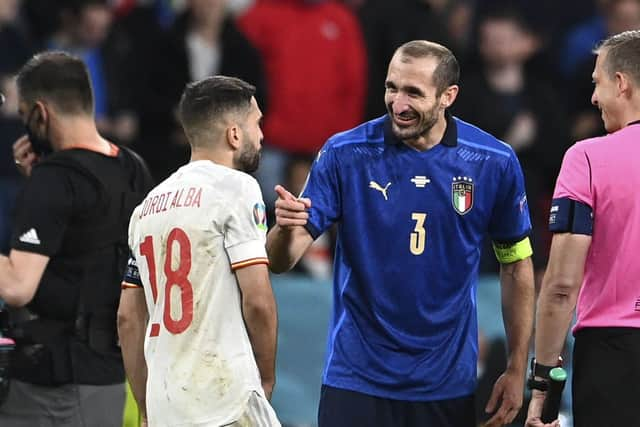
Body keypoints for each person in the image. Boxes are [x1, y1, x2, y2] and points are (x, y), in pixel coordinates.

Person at [267, 39, 535, 427]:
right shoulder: (345, 154)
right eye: (392, 88)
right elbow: (282, 260)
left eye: (414, 92)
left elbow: (515, 265)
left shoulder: (492, 162)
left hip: (446, 385)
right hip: (356, 379)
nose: (399, 104)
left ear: (448, 96)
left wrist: (515, 366)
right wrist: (283, 228)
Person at [0, 51, 153, 426]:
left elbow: (18, 285)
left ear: (40, 112)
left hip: (51, 386)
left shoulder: (55, 180)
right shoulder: (133, 167)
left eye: (24, 116)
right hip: (110, 378)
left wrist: (42, 184)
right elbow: (91, 237)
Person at [118, 75, 281, 427]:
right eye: (257, 124)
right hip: (225, 399)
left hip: (167, 405)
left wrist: (147, 406)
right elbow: (257, 299)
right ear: (234, 134)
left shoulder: (146, 208)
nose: (262, 135)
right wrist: (265, 377)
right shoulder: (237, 188)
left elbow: (127, 318)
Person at [525, 29, 640, 427]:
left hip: (614, 355)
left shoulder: (587, 158)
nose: (593, 98)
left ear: (621, 83)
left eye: (598, 83)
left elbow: (559, 287)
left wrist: (542, 389)